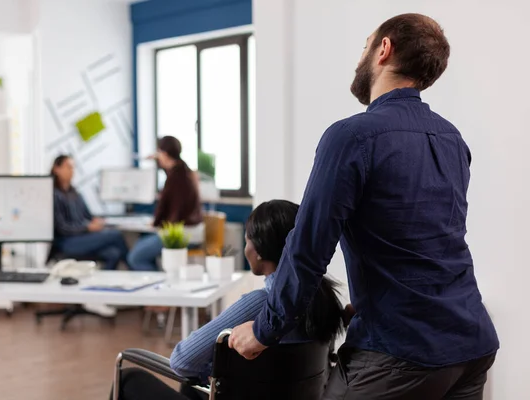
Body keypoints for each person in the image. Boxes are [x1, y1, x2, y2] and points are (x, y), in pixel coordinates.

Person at [229, 14, 499, 400]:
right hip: (471, 345)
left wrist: (264, 329)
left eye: (365, 46)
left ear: (383, 49)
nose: (361, 58)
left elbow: (308, 245)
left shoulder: (352, 136)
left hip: (400, 353)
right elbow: (430, 240)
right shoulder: (450, 137)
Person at [112, 200, 346, 400]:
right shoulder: (324, 299)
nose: (246, 248)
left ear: (259, 252)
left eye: (247, 241)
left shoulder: (260, 305)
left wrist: (213, 370)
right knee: (191, 386)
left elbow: (182, 360)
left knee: (130, 376)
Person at [127, 136, 203, 271]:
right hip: (190, 230)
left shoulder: (176, 178)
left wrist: (156, 223)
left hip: (183, 233)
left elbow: (166, 207)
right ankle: (157, 282)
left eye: (159, 152)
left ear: (165, 154)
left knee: (135, 257)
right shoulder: (182, 170)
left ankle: (156, 285)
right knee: (141, 244)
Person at [51, 155, 128, 271]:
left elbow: (88, 216)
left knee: (113, 253)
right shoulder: (54, 195)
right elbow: (63, 228)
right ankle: (133, 265)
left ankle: (104, 286)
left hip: (82, 237)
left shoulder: (75, 193)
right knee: (115, 235)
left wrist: (95, 221)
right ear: (56, 169)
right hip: (67, 242)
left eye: (73, 168)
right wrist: (87, 228)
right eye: (68, 167)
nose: (72, 171)